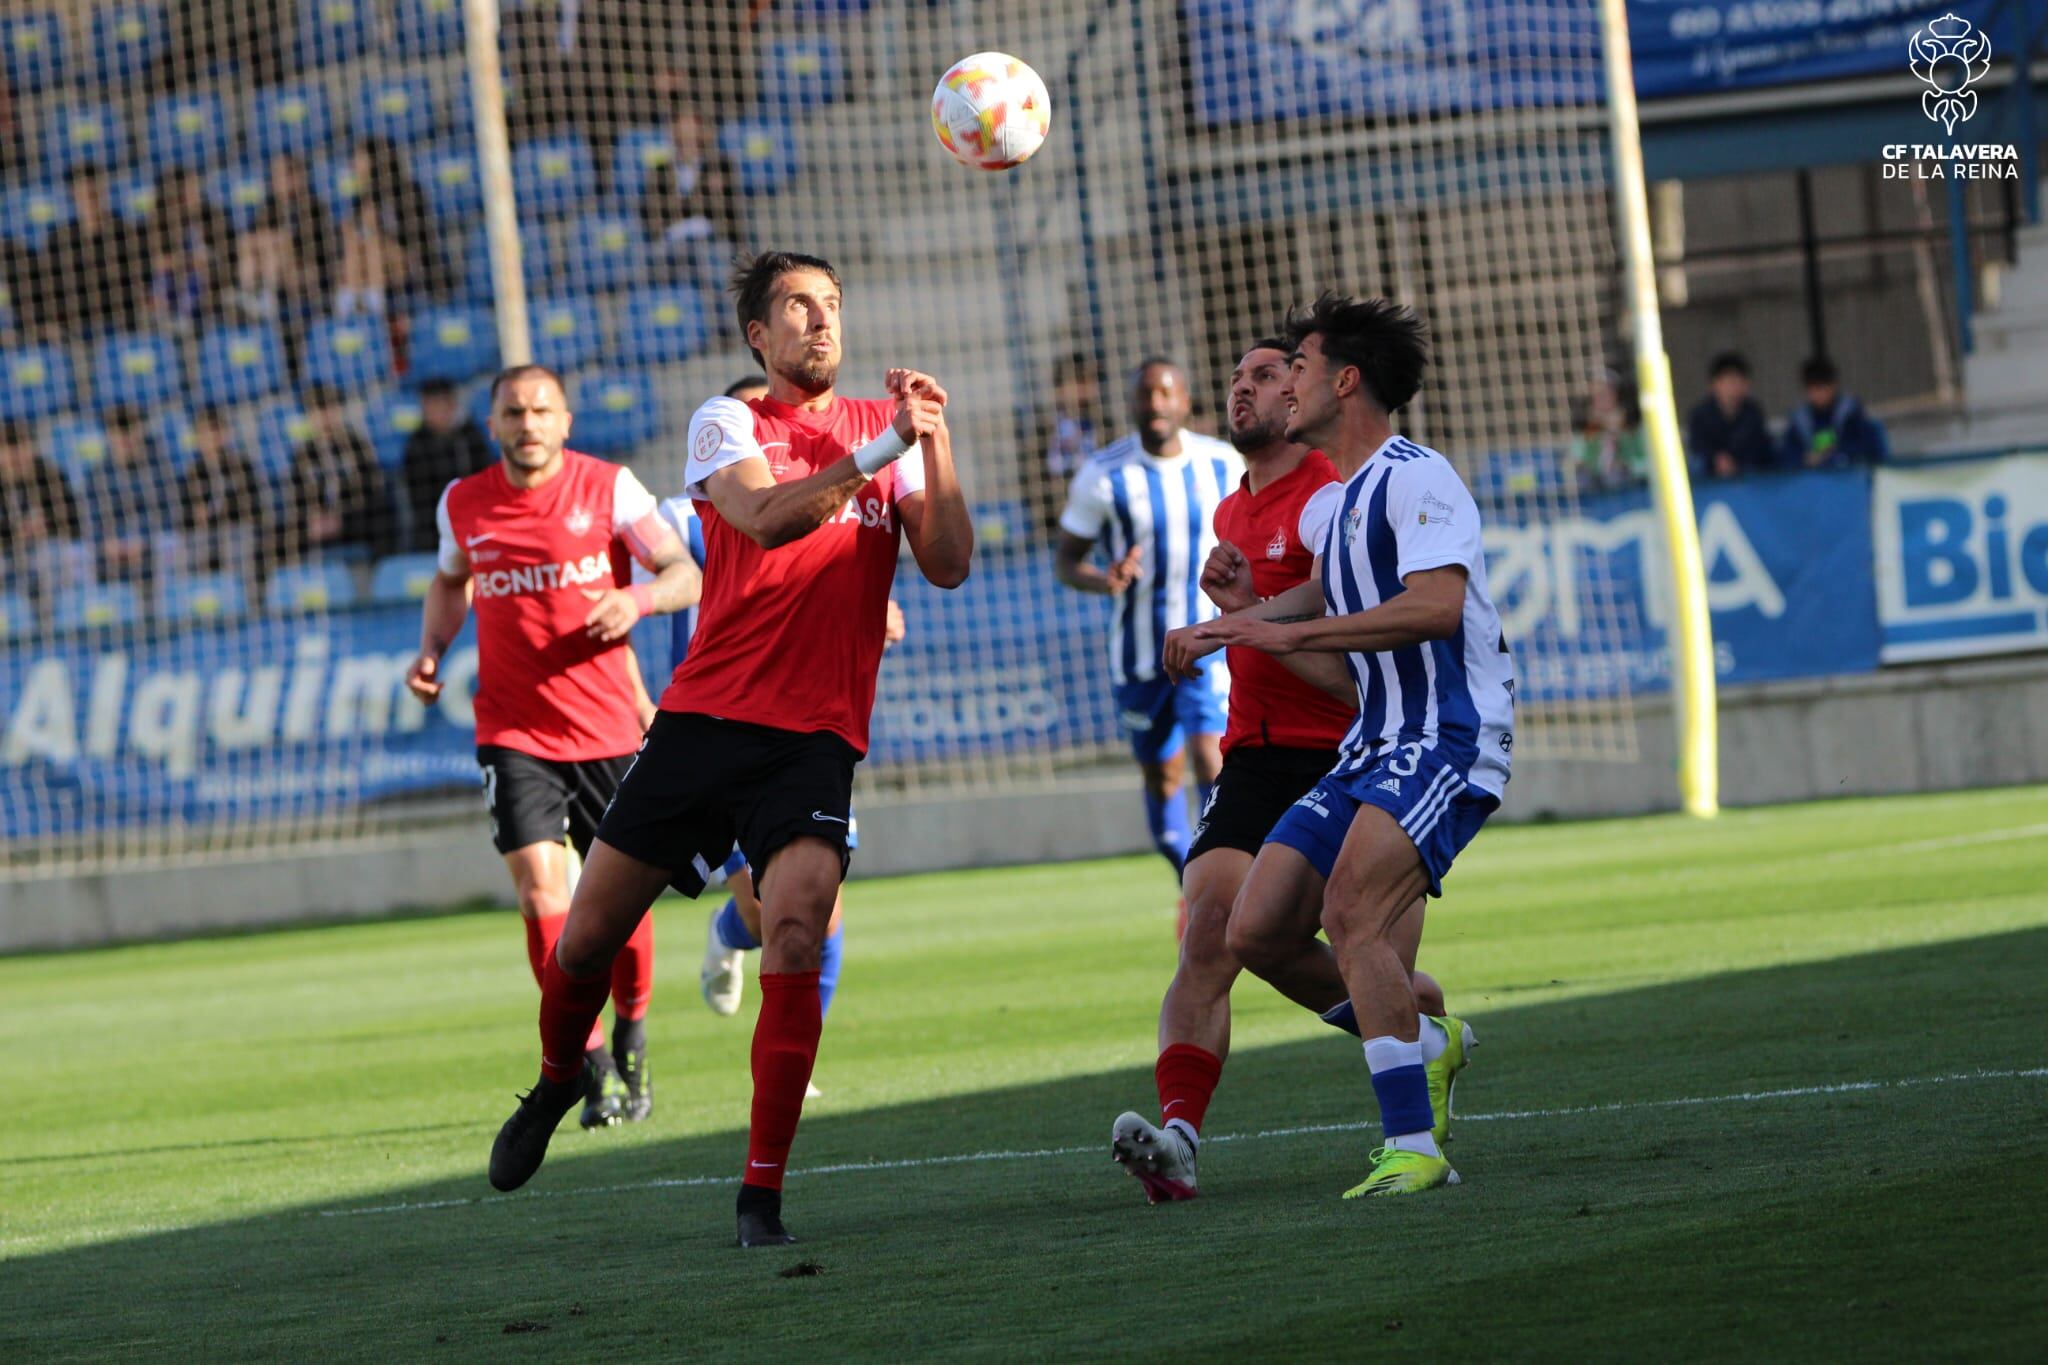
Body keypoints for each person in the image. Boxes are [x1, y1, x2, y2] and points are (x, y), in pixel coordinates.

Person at [485, 251, 972, 1251]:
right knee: (584, 941)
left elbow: (950, 565)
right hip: (703, 727)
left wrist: (938, 447)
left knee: (797, 932)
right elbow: (764, 518)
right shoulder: (728, 421)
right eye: (797, 306)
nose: (820, 321)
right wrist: (884, 450)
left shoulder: (891, 437)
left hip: (816, 742)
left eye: (831, 304)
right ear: (759, 333)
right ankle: (552, 1082)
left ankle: (761, 1195)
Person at [1169, 293, 1512, 1199]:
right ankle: (1424, 1039)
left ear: (1344, 381)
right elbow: (1315, 598)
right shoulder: (1337, 505)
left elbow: (1436, 607)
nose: (1285, 386)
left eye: (1302, 367)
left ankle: (1414, 1147)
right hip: (1374, 743)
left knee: (1355, 912)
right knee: (1256, 927)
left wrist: (1288, 639)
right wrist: (1231, 623)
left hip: (1445, 737)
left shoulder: (1417, 476)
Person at [1107, 339, 1449, 1202]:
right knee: (1208, 934)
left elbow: (1346, 655)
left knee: (1377, 960)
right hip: (1253, 753)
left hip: (1349, 750)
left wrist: (1240, 620)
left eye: (1266, 375)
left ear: (1300, 396)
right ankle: (1179, 1135)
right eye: (1237, 377)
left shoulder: (1330, 500)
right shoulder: (1230, 513)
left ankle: (1422, 1060)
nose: (1245, 388)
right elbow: (1263, 620)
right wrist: (1238, 614)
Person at [406, 364, 700, 1129]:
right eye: (513, 411)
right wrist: (433, 648)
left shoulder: (610, 488)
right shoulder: (463, 503)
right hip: (513, 733)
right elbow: (449, 581)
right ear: (494, 424)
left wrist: (635, 597)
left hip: (608, 729)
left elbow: (684, 573)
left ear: (565, 421)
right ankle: (590, 1060)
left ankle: (633, 1030)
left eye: (541, 410)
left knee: (619, 907)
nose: (528, 423)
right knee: (544, 897)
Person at [1055, 358, 1242, 894]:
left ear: (1184, 401)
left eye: (1166, 393)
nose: (1155, 403)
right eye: (1145, 394)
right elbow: (1066, 562)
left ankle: (1222, 883)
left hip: (1208, 649)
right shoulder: (1104, 474)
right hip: (1138, 656)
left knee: (1212, 756)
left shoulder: (1223, 464)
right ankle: (1196, 884)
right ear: (1132, 403)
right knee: (1161, 777)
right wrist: (1103, 579)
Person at [275, 383, 392, 562]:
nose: (325, 417)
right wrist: (313, 518)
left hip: (354, 522)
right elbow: (297, 498)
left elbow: (372, 491)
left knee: (382, 517)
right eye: (317, 411)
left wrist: (340, 520)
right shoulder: (302, 454)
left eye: (329, 408)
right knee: (282, 533)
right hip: (317, 526)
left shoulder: (358, 446)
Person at [30, 166, 152, 338]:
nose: (90, 200)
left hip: (123, 321)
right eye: (84, 194)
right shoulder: (58, 239)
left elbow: (142, 278)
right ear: (74, 196)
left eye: (94, 193)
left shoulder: (126, 233)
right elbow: (46, 284)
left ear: (104, 192)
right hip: (73, 326)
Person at [81, 406, 181, 590]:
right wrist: (106, 543)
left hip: (151, 545)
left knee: (170, 544)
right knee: (79, 554)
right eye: (118, 430)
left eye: (129, 429)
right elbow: (89, 519)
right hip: (110, 549)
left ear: (140, 431)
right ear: (109, 435)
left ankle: (167, 606)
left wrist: (144, 540)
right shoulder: (96, 475)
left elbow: (171, 513)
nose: (124, 437)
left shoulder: (161, 470)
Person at [639, 105, 741, 283]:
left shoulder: (720, 165)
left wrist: (679, 203)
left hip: (711, 239)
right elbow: (653, 214)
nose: (687, 138)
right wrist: (698, 197)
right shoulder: (659, 172)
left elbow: (721, 209)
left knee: (714, 261)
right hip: (672, 241)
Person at [236, 152, 338, 324]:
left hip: (307, 271)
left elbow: (317, 249)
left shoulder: (314, 207)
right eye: (276, 175)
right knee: (251, 243)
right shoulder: (268, 208)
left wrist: (279, 240)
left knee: (278, 244)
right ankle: (251, 295)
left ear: (299, 177)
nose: (280, 180)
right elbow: (250, 238)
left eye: (285, 174)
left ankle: (265, 300)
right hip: (273, 268)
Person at [400, 378, 493, 552]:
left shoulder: (471, 438)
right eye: (430, 406)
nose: (436, 412)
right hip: (433, 532)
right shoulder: (415, 446)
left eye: (440, 404)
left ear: (452, 404)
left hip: (474, 523)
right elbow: (418, 499)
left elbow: (484, 481)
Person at [0, 418, 81, 604]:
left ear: (31, 447)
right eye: (7, 448)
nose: (15, 455)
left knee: (53, 556)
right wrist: (16, 532)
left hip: (43, 548)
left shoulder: (51, 476)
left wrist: (46, 527)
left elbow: (74, 522)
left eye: (20, 446)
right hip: (6, 551)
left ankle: (51, 618)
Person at [176, 406, 264, 574]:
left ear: (226, 434)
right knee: (184, 548)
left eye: (216, 431)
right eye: (205, 432)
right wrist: (195, 516)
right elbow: (184, 514)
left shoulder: (242, 467)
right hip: (201, 534)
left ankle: (243, 594)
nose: (211, 438)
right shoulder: (192, 472)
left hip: (234, 530)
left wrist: (215, 514)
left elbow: (252, 507)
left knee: (235, 543)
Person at [148, 168, 235, 329]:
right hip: (173, 277)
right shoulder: (160, 220)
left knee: (198, 274)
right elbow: (159, 262)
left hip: (206, 276)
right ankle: (162, 319)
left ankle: (186, 320)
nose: (198, 194)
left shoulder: (211, 216)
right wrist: (187, 261)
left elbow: (220, 255)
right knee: (165, 276)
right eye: (192, 189)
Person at [1033, 352, 1105, 532]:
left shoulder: (1104, 426)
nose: (1085, 391)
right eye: (1078, 382)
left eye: (1090, 382)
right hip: (1058, 523)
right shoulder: (1043, 430)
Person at [1779, 356, 1888, 468]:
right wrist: (1805, 459)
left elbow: (1864, 446)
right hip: (1812, 479)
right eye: (1813, 389)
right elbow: (1789, 455)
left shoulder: (1850, 412)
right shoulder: (1800, 419)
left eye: (1822, 388)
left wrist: (1831, 456)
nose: (1818, 395)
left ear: (1833, 386)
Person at [1684, 352, 1772, 480]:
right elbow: (1698, 447)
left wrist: (1736, 462)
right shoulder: (1699, 415)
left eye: (1740, 382)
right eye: (1730, 382)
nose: (1735, 388)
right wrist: (1716, 459)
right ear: (1714, 385)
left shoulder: (1753, 413)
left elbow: (1760, 447)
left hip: (1745, 471)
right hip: (1710, 473)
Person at [1568, 368, 1646, 492]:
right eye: (1595, 395)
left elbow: (1650, 464)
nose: (1599, 399)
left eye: (1605, 393)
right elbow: (1574, 461)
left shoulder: (1635, 428)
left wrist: (1629, 467)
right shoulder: (1588, 430)